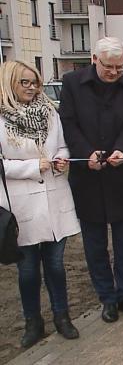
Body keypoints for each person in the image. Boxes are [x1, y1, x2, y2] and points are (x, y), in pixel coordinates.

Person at [59, 37, 123, 323]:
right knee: (94, 244)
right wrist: (85, 154)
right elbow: (68, 123)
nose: (114, 73)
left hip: (121, 176)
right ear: (94, 59)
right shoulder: (72, 83)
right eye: (109, 67)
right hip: (88, 177)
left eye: (120, 68)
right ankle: (106, 298)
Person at [0, 61, 81, 348]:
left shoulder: (49, 113)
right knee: (28, 270)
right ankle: (33, 322)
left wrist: (61, 159)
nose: (32, 87)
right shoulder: (1, 119)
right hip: (21, 207)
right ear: (10, 83)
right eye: (25, 82)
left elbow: (62, 145)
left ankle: (62, 316)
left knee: (57, 266)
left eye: (35, 82)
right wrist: (33, 166)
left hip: (55, 198)